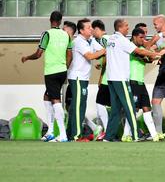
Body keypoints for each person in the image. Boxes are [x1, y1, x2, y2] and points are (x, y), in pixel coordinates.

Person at [103, 19, 165, 142]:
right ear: (120, 27)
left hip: (111, 78)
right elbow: (140, 51)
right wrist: (158, 55)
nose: (128, 28)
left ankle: (108, 137)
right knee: (130, 107)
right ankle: (136, 135)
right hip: (121, 78)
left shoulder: (111, 39)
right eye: (126, 26)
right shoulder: (122, 40)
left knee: (115, 109)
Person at [21, 11, 72, 142]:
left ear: (50, 20)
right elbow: (70, 55)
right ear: (60, 21)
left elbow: (38, 54)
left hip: (51, 72)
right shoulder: (66, 35)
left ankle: (62, 134)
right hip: (62, 71)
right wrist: (64, 67)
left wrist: (27, 57)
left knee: (55, 100)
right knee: (47, 96)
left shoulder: (47, 34)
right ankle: (50, 131)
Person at [66, 18, 106, 141]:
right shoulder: (78, 41)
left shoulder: (91, 40)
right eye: (88, 27)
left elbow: (100, 52)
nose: (91, 29)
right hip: (77, 78)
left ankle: (70, 134)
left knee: (76, 107)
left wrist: (103, 51)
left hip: (83, 78)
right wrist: (105, 50)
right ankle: (76, 135)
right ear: (82, 31)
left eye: (91, 27)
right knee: (79, 106)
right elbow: (90, 55)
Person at [122, 28, 159, 142]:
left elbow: (148, 58)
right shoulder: (130, 47)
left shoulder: (142, 49)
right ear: (134, 37)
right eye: (141, 38)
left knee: (147, 108)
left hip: (141, 83)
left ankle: (154, 135)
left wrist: (158, 55)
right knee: (134, 110)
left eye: (144, 38)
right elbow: (143, 57)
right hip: (132, 82)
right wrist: (154, 53)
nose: (143, 40)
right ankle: (126, 135)